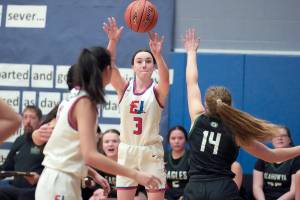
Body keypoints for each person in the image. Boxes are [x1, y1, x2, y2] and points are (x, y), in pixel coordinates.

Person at [182, 28, 300, 200]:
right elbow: (273, 156)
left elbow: (191, 82)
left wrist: (191, 53)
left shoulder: (197, 117)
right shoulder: (236, 131)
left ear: (206, 105)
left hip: (194, 188)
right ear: (229, 105)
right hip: (222, 190)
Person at [35, 46, 161, 200]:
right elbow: (90, 155)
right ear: (107, 70)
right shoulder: (85, 103)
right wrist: (135, 174)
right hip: (60, 182)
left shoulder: (74, 96)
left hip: (59, 178)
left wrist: (93, 174)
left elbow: (69, 148)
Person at [103, 17, 169, 200]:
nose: (144, 64)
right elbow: (109, 66)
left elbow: (165, 79)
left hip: (151, 151)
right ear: (132, 66)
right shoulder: (124, 88)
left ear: (153, 66)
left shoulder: (157, 90)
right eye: (139, 61)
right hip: (127, 150)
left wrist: (157, 54)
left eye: (148, 61)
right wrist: (113, 41)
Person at [0, 105, 43, 200]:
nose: (28, 121)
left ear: (40, 122)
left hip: (34, 190)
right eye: (25, 117)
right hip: (15, 189)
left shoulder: (45, 143)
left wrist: (39, 178)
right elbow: (7, 167)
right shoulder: (19, 140)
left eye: (32, 118)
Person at [253, 126, 300, 200]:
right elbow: (257, 186)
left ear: (289, 139)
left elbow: (294, 191)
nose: (279, 138)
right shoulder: (263, 158)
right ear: (272, 140)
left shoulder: (296, 160)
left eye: (283, 136)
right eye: (276, 136)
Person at [164, 125, 189, 200]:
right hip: (167, 195)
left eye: (180, 138)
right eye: (173, 138)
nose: (176, 141)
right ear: (168, 140)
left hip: (186, 194)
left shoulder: (192, 157)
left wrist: (186, 195)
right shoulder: (163, 157)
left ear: (186, 139)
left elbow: (195, 181)